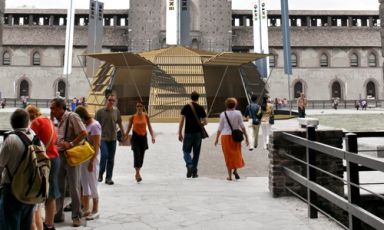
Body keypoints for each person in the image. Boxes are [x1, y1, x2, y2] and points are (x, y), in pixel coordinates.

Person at [50, 98, 87, 227]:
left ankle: (76, 215)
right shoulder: (59, 120)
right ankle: (58, 214)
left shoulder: (72, 116)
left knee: (74, 187)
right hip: (59, 155)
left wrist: (71, 143)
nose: (52, 111)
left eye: (53, 108)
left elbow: (83, 132)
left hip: (70, 156)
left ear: (61, 108)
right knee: (59, 186)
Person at [0, 109, 36, 229]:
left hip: (12, 188)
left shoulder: (10, 140)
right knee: (26, 223)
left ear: (12, 123)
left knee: (10, 223)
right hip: (32, 188)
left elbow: (1, 165)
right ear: (27, 122)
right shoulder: (35, 137)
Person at [26, 105, 60, 230]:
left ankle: (43, 223)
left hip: (45, 160)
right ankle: (50, 223)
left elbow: (28, 140)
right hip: (55, 157)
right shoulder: (48, 120)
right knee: (52, 192)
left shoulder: (36, 122)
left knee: (40, 192)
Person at [75, 106, 101, 221]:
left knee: (93, 183)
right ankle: (86, 208)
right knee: (84, 183)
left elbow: (96, 146)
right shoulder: (86, 125)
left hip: (92, 158)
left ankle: (95, 209)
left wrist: (92, 161)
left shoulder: (95, 126)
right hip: (84, 158)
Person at [214, 98, 248, 181]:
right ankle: (235, 170)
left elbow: (220, 128)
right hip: (236, 136)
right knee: (237, 153)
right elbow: (242, 126)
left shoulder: (223, 114)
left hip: (225, 137)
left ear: (226, 105)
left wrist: (216, 138)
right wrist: (247, 137)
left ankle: (229, 176)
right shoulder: (238, 113)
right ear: (235, 105)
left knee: (228, 156)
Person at [95, 94, 125, 185]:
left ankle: (109, 178)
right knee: (104, 155)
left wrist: (123, 134)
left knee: (111, 159)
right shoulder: (100, 112)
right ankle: (100, 173)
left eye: (113, 100)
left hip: (113, 138)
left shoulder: (116, 111)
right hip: (103, 138)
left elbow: (119, 122)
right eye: (110, 100)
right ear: (106, 100)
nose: (111, 102)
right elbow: (95, 125)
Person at [178, 91, 208, 178]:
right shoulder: (200, 108)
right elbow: (206, 122)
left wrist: (180, 133)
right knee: (196, 152)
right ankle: (194, 172)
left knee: (185, 150)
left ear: (191, 97)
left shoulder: (186, 107)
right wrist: (200, 123)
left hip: (188, 133)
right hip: (198, 133)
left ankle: (189, 164)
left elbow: (181, 121)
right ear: (198, 98)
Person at [125, 100, 155, 182]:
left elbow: (149, 127)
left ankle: (138, 170)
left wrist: (152, 136)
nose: (139, 107)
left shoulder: (146, 116)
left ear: (143, 107)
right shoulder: (133, 117)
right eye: (137, 106)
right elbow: (129, 127)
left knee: (141, 156)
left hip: (143, 138)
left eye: (140, 106)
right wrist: (126, 135)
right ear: (136, 107)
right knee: (137, 155)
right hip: (135, 138)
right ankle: (137, 173)